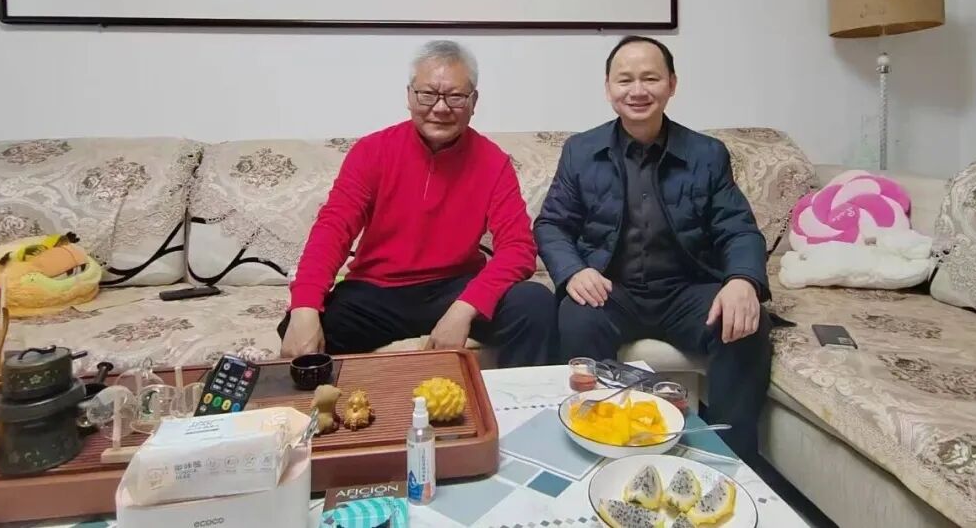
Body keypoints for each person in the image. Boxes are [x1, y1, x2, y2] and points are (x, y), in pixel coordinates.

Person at [533, 35, 772, 460]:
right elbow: (552, 224)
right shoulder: (580, 151)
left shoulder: (707, 154)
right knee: (576, 316)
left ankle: (730, 459)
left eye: (651, 78)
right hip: (613, 290)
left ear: (672, 84)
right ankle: (597, 445)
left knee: (746, 322)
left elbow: (738, 229)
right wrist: (574, 271)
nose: (637, 90)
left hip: (686, 290)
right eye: (625, 80)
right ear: (608, 88)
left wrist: (743, 280)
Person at [279, 40, 556, 368]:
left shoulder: (493, 161)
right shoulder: (372, 151)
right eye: (428, 94)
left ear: (474, 101)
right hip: (376, 291)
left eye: (455, 96)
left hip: (455, 288)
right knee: (302, 330)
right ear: (409, 96)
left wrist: (464, 309)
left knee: (534, 303)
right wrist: (305, 306)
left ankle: (511, 399)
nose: (440, 108)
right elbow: (333, 229)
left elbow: (519, 248)